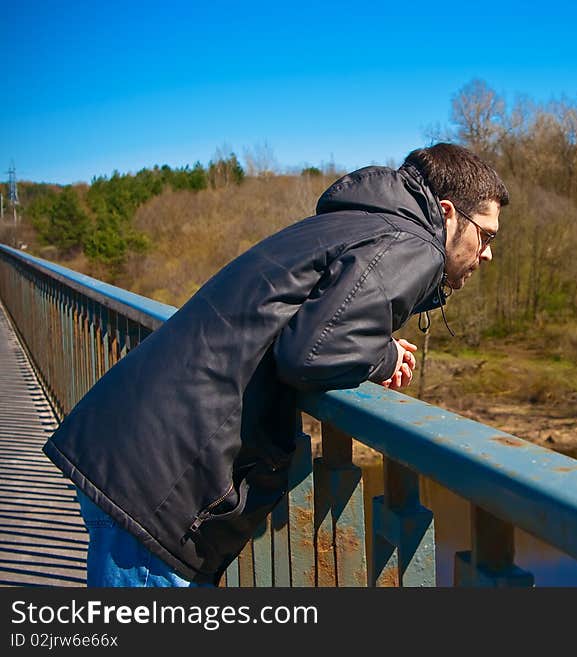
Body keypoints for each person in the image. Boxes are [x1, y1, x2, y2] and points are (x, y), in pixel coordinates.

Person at [43, 143, 509, 586]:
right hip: (161, 490)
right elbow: (312, 352)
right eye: (485, 235)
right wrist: (383, 355)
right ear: (447, 213)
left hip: (134, 453)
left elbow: (312, 320)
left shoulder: (360, 222)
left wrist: (375, 341)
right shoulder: (414, 244)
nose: (487, 254)